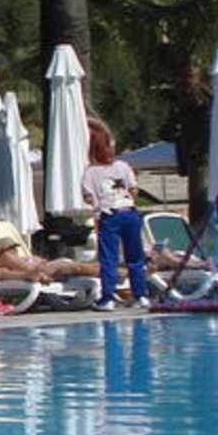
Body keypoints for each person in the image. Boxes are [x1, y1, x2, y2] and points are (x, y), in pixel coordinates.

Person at [81, 121, 148, 309]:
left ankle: (108, 297)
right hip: (130, 212)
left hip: (109, 215)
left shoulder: (90, 172)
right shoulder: (123, 166)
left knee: (109, 258)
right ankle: (141, 295)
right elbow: (134, 190)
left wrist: (97, 204)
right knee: (135, 256)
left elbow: (88, 197)